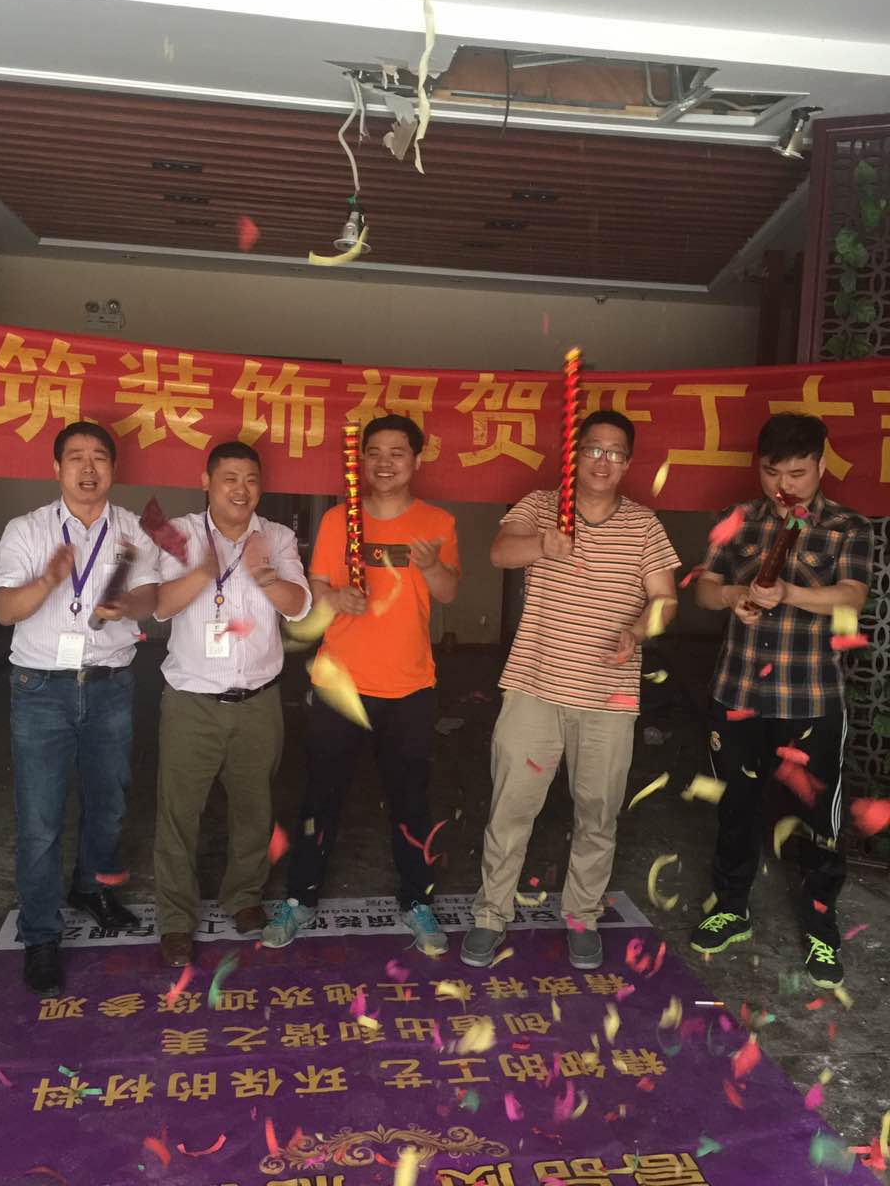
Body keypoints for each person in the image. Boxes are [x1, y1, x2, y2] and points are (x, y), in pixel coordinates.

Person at [462, 409, 680, 970]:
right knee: (511, 808)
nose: (603, 461)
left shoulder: (644, 525)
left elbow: (665, 598)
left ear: (627, 463)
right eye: (593, 449)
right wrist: (544, 544)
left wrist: (638, 631)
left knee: (598, 814)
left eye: (615, 453)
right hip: (534, 686)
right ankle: (490, 914)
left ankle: (582, 916)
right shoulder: (541, 506)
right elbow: (499, 551)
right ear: (574, 455)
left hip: (609, 697)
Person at [262, 414, 460, 955]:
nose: (385, 463)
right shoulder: (337, 520)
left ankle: (417, 900)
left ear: (416, 459)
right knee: (319, 797)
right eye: (374, 452)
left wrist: (432, 565)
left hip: (410, 686)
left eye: (397, 452)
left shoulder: (437, 521)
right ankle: (300, 897)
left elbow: (447, 592)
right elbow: (317, 588)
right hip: (340, 684)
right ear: (361, 461)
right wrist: (337, 598)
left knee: (410, 800)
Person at [690, 413, 873, 988]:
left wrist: (789, 592)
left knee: (817, 819)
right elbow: (703, 589)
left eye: (797, 473)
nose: (784, 486)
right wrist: (734, 595)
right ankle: (731, 907)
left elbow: (851, 598)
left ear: (822, 464)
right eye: (773, 473)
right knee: (735, 806)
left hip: (810, 698)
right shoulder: (737, 519)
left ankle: (821, 929)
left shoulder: (848, 527)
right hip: (738, 691)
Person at [0, 421, 160, 995]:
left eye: (99, 458)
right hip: (41, 689)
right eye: (76, 458)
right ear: (56, 468)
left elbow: (153, 597)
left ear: (114, 468)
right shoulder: (26, 530)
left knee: (109, 805)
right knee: (40, 820)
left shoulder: (133, 530)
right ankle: (41, 935)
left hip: (110, 685)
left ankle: (91, 889)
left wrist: (126, 604)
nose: (88, 469)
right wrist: (49, 579)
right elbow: (5, 610)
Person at [153, 440, 310, 967]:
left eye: (251, 479)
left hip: (259, 701)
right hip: (191, 703)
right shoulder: (178, 534)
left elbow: (299, 606)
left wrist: (265, 575)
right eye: (229, 478)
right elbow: (158, 605)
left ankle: (244, 896)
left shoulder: (277, 537)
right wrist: (204, 570)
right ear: (206, 482)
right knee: (179, 814)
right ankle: (176, 919)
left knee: (254, 808)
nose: (241, 490)